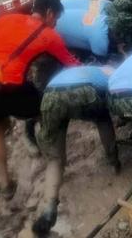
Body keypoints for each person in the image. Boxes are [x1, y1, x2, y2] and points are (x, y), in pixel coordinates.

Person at [0, 0, 80, 199]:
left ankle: (5, 184)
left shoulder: (7, 19)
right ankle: (52, 158)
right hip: (11, 85)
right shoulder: (50, 35)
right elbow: (70, 62)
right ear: (49, 13)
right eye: (56, 19)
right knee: (44, 113)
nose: (56, 24)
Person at [33, 65, 120, 235]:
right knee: (102, 119)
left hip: (51, 96)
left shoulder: (75, 70)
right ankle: (114, 161)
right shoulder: (109, 70)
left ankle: (49, 207)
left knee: (55, 160)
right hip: (84, 92)